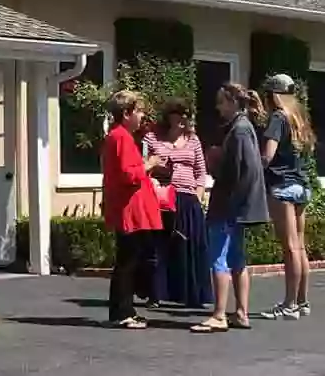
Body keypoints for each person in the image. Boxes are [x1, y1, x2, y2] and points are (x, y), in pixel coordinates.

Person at [192, 83, 271, 333]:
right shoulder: (242, 129)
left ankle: (218, 314)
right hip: (237, 205)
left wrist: (215, 162)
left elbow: (242, 170)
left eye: (221, 101)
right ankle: (241, 312)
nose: (218, 107)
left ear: (233, 102)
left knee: (219, 257)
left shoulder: (239, 130)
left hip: (228, 205)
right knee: (237, 258)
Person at [100, 90, 163, 330]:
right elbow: (129, 174)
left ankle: (125, 310)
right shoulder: (121, 138)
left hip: (129, 208)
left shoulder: (118, 136)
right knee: (128, 262)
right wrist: (150, 164)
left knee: (130, 260)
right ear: (126, 113)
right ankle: (121, 311)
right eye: (139, 111)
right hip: (130, 210)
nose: (142, 116)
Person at [141, 99, 212, 309]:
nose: (182, 118)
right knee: (159, 246)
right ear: (169, 116)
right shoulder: (152, 138)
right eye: (178, 113)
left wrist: (198, 196)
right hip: (161, 197)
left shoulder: (193, 140)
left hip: (188, 198)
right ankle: (155, 293)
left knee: (189, 246)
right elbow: (143, 166)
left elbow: (201, 172)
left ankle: (192, 294)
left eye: (186, 114)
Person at [258, 73, 317, 321]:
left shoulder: (277, 118)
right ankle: (302, 301)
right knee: (300, 246)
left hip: (281, 185)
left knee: (290, 247)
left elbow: (267, 155)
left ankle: (289, 304)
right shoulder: (297, 119)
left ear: (273, 95)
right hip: (301, 185)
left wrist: (253, 166)